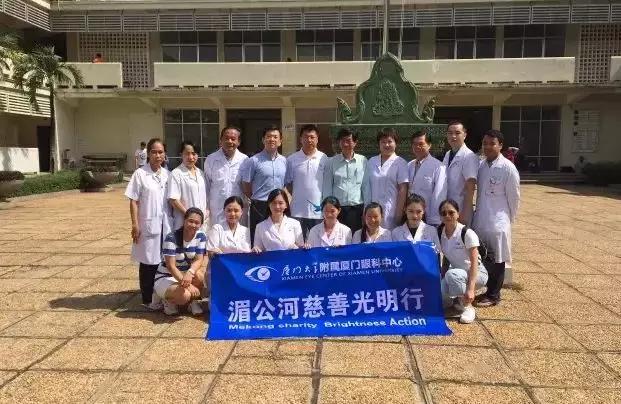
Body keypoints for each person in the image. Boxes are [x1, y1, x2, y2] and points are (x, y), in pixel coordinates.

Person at [472, 130, 520, 307]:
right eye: (485, 143)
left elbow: (514, 197)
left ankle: (494, 295)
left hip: (498, 220)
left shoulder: (507, 167)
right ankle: (487, 291)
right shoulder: (481, 166)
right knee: (484, 256)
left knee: (498, 258)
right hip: (481, 218)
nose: (487, 147)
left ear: (500, 145)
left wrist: (508, 219)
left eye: (492, 143)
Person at [125, 138, 170, 309]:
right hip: (147, 223)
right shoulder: (140, 174)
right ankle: (147, 298)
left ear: (165, 154)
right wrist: (135, 224)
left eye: (161, 152)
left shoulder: (167, 174)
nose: (158, 155)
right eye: (154, 152)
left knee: (163, 260)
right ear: (148, 154)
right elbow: (133, 200)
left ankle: (160, 294)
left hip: (165, 224)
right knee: (148, 261)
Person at [437, 199, 488, 324]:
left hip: (477, 274)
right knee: (439, 296)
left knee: (452, 275)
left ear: (458, 214)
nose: (447, 216)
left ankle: (466, 306)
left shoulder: (467, 233)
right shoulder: (440, 233)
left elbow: (474, 263)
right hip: (457, 274)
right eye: (443, 213)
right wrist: (441, 278)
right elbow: (447, 257)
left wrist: (471, 289)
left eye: (451, 212)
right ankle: (455, 303)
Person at [154, 207, 207, 316]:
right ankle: (167, 300)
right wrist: (187, 285)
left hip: (185, 274)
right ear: (184, 220)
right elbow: (171, 266)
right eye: (190, 221)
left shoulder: (201, 236)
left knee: (200, 276)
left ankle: (193, 302)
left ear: (201, 224)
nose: (193, 225)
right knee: (184, 296)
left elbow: (199, 259)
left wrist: (190, 272)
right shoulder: (171, 238)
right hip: (167, 276)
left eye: (197, 223)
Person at [241, 125, 287, 243]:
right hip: (260, 205)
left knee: (277, 236)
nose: (272, 139)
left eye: (275, 137)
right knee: (258, 239)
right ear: (263, 140)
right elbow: (246, 185)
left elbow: (286, 185)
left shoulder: (284, 161)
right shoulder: (253, 161)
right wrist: (256, 199)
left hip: (278, 205)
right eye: (268, 136)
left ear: (280, 141)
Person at [285, 124, 327, 239]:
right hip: (298, 210)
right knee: (298, 242)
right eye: (306, 137)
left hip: (318, 211)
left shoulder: (324, 158)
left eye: (312, 137)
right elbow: (288, 184)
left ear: (317, 139)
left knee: (318, 242)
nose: (309, 140)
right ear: (300, 139)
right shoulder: (292, 159)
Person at [322, 128, 367, 233]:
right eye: (342, 140)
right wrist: (328, 209)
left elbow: (366, 186)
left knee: (356, 237)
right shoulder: (331, 162)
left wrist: (366, 208)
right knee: (338, 237)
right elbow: (327, 187)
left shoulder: (363, 160)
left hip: (357, 208)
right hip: (338, 209)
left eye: (348, 140)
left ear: (355, 142)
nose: (345, 144)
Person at [364, 128, 408, 230]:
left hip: (391, 211)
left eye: (389, 141)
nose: (386, 145)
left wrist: (398, 214)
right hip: (372, 212)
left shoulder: (401, 163)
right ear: (379, 144)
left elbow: (403, 189)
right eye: (383, 142)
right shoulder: (371, 161)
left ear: (396, 143)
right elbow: (367, 187)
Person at [204, 126, 248, 226]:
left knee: (237, 233)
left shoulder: (245, 160)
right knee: (217, 233)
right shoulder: (211, 159)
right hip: (217, 208)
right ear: (221, 140)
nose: (229, 141)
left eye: (233, 139)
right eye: (226, 138)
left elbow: (247, 186)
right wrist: (206, 208)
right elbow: (206, 186)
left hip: (238, 208)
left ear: (239, 142)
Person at [442, 120, 479, 225]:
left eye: (457, 133)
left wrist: (464, 215)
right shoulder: (448, 154)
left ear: (465, 135)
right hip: (447, 207)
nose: (453, 136)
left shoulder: (469, 156)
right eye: (450, 133)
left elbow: (470, 188)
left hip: (461, 209)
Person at [408, 129, 447, 226]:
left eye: (421, 144)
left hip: (429, 217)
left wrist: (435, 220)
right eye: (415, 144)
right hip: (411, 216)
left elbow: (439, 194)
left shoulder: (438, 166)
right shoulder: (409, 165)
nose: (417, 147)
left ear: (429, 145)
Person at [167, 141, 208, 231]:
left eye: (194, 154)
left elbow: (205, 197)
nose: (191, 157)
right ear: (181, 155)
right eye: (187, 153)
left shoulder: (201, 173)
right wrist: (190, 216)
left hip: (201, 222)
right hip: (184, 222)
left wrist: (205, 214)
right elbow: (173, 200)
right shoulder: (176, 173)